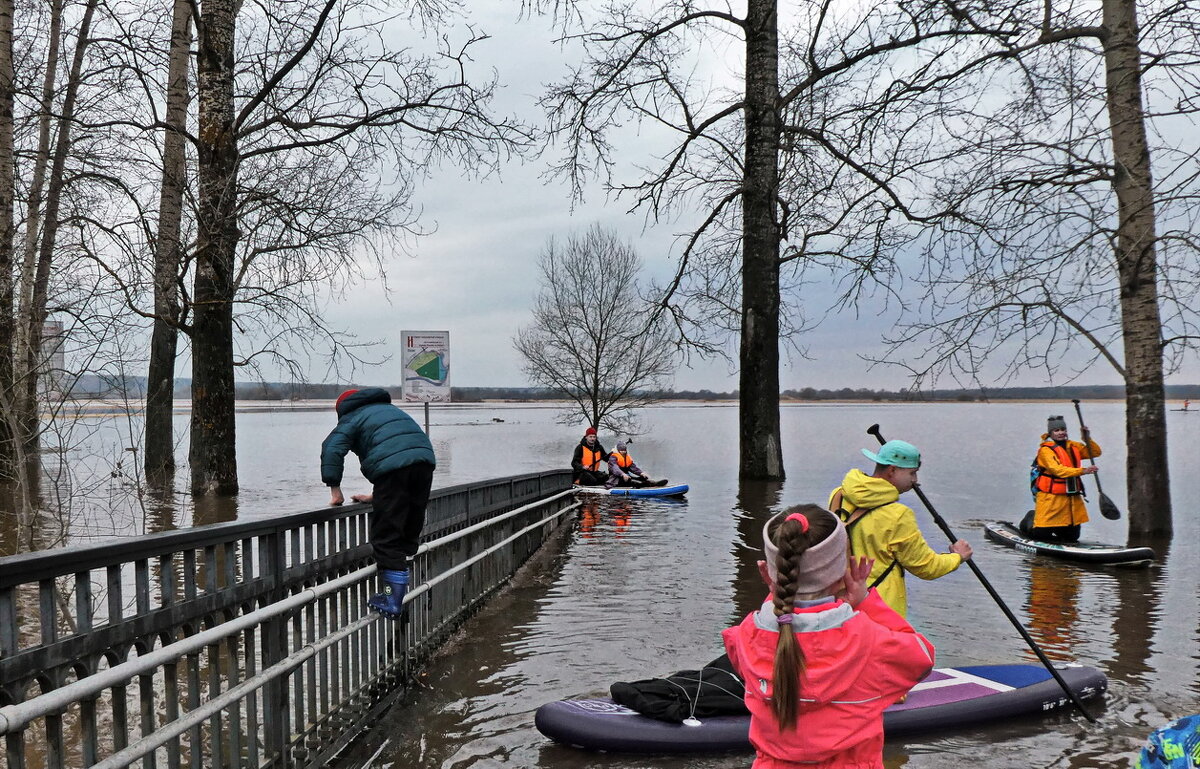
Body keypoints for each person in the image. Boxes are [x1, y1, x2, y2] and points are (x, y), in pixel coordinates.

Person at [722, 505, 935, 769]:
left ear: (771, 570)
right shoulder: (868, 640)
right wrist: (866, 602)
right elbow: (922, 657)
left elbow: (746, 652)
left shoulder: (747, 634)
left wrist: (775, 593)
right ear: (840, 571)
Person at [321, 388, 436, 618]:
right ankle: (401, 589)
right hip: (424, 462)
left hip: (394, 471)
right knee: (407, 531)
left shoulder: (352, 416)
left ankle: (391, 598)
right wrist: (378, 495)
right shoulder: (390, 410)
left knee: (385, 539)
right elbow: (396, 447)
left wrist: (335, 489)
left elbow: (331, 448)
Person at [827, 439, 972, 618]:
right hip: (880, 608)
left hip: (841, 602)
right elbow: (926, 567)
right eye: (912, 473)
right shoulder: (898, 515)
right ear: (892, 470)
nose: (915, 481)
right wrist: (957, 557)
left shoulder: (838, 495)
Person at [1020, 415, 1100, 543]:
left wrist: (1086, 438)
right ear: (1051, 433)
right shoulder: (1045, 451)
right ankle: (1030, 519)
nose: (1061, 433)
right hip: (1051, 498)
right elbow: (1057, 470)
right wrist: (1083, 471)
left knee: (1072, 537)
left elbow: (1095, 452)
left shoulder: (1073, 446)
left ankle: (1059, 532)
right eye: (1057, 430)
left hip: (1070, 498)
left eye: (1063, 429)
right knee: (1041, 535)